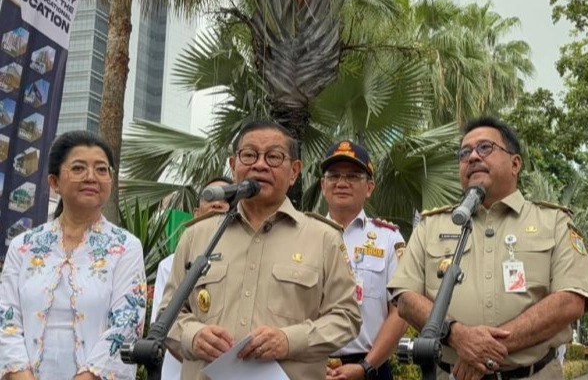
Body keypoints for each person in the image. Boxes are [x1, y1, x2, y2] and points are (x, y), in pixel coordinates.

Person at [388, 116, 588, 380]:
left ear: (515, 164)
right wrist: (457, 336)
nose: (473, 157)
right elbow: (405, 298)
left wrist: (485, 349)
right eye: (464, 153)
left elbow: (571, 301)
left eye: (485, 148)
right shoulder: (431, 226)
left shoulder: (553, 222)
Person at [160, 120, 361, 380]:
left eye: (274, 157)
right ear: (234, 165)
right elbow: (166, 316)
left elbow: (346, 318)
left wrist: (289, 340)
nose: (260, 165)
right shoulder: (198, 236)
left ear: (294, 172)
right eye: (249, 155)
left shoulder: (323, 239)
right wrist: (193, 336)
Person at [0, 130, 146, 380]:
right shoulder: (23, 246)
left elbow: (126, 324)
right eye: (78, 168)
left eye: (101, 169)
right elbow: (5, 318)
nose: (91, 177)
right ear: (54, 182)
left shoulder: (125, 248)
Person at [319, 141, 408, 380]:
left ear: (369, 187)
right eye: (334, 175)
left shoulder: (388, 239)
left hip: (371, 368)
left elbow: (401, 311)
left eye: (353, 176)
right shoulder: (304, 236)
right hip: (312, 368)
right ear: (322, 185)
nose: (342, 182)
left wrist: (366, 366)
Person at [150, 176, 232, 380]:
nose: (217, 203)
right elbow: (163, 326)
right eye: (210, 197)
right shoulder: (169, 264)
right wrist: (196, 345)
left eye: (226, 197)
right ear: (196, 212)